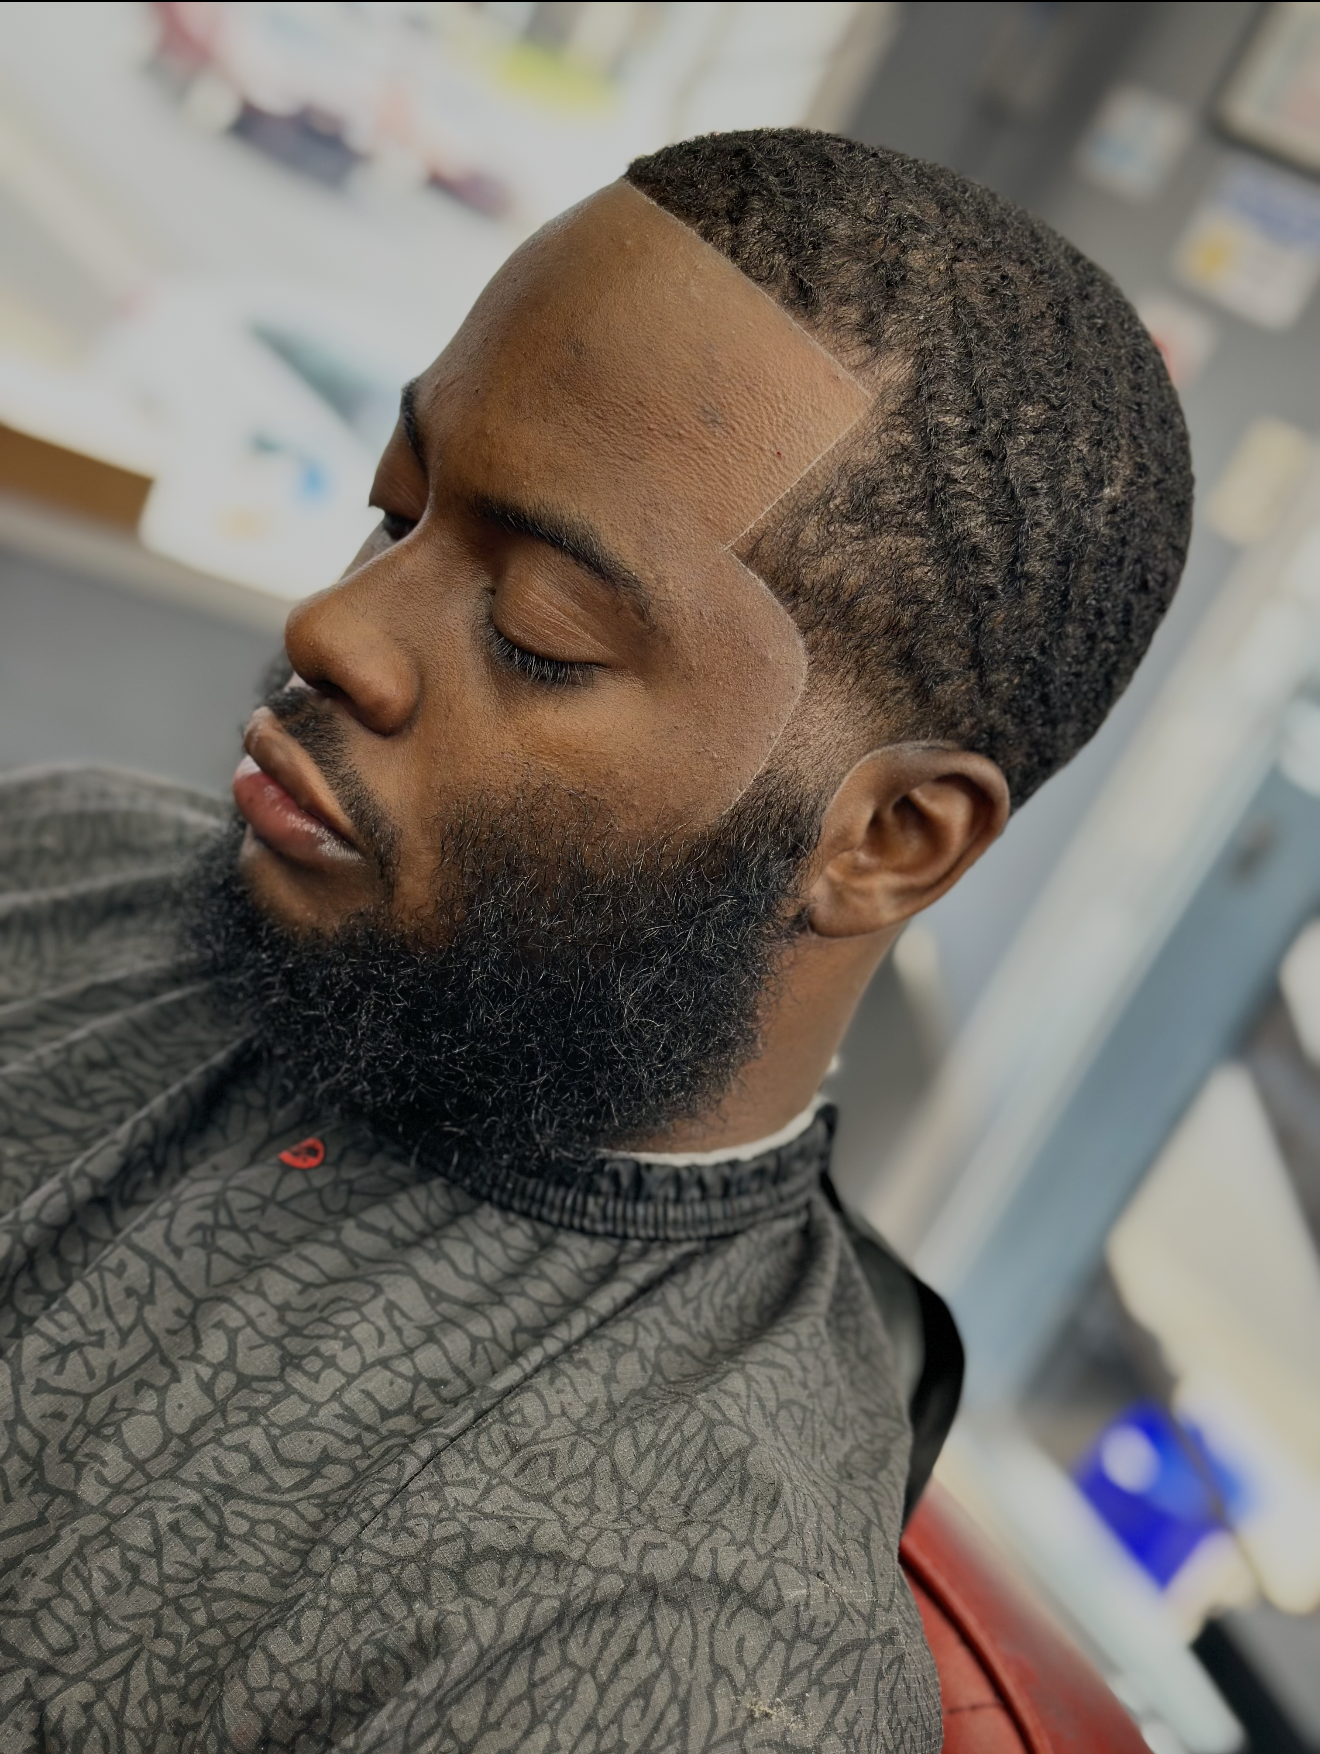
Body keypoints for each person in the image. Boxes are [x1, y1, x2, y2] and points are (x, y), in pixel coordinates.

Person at [0, 129, 1190, 1752]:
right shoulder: (55, 850)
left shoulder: (673, 1652)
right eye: (393, 507)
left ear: (886, 838)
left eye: (541, 630)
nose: (332, 628)